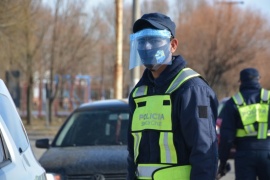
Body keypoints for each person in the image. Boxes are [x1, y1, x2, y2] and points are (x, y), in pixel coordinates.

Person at [127, 12, 219, 180]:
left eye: (154, 40)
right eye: (141, 41)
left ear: (173, 45)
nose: (147, 47)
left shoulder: (192, 90)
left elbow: (205, 154)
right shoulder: (139, 93)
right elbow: (133, 156)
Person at [217, 68, 270, 180]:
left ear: (240, 82)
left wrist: (223, 162)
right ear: (259, 80)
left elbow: (226, 137)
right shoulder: (268, 98)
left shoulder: (234, 102)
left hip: (244, 155)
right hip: (268, 153)